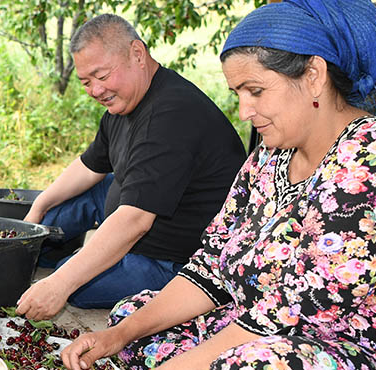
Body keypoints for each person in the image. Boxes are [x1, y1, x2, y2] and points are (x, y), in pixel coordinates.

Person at [61, 0, 376, 370]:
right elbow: (209, 267)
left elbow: (278, 320)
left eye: (255, 91)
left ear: (314, 74)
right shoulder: (272, 155)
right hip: (282, 328)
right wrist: (119, 335)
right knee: (135, 314)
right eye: (237, 94)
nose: (244, 111)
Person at [17, 14, 247, 320]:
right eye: (86, 82)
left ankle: (65, 260)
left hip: (173, 258)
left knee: (73, 285)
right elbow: (89, 166)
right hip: (137, 212)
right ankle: (37, 250)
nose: (96, 91)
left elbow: (135, 220)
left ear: (137, 54)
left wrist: (60, 282)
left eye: (101, 76)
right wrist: (38, 208)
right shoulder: (123, 103)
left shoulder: (170, 116)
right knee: (65, 206)